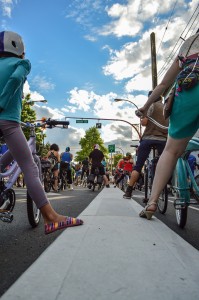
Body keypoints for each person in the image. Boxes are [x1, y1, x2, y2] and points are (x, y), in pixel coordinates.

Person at [0, 30, 83, 233]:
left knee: (15, 154)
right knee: (29, 167)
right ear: (19, 49)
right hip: (8, 121)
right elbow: (15, 80)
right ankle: (51, 217)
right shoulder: (22, 63)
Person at [136, 31, 199, 219]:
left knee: (171, 151)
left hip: (189, 92)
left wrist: (146, 106)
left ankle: (152, 202)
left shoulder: (189, 43)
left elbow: (163, 85)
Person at [123, 94, 169, 199]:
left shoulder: (150, 106)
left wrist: (143, 118)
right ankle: (167, 183)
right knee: (167, 162)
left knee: (138, 166)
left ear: (150, 98)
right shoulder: (166, 106)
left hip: (148, 138)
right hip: (163, 140)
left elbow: (144, 123)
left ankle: (129, 191)